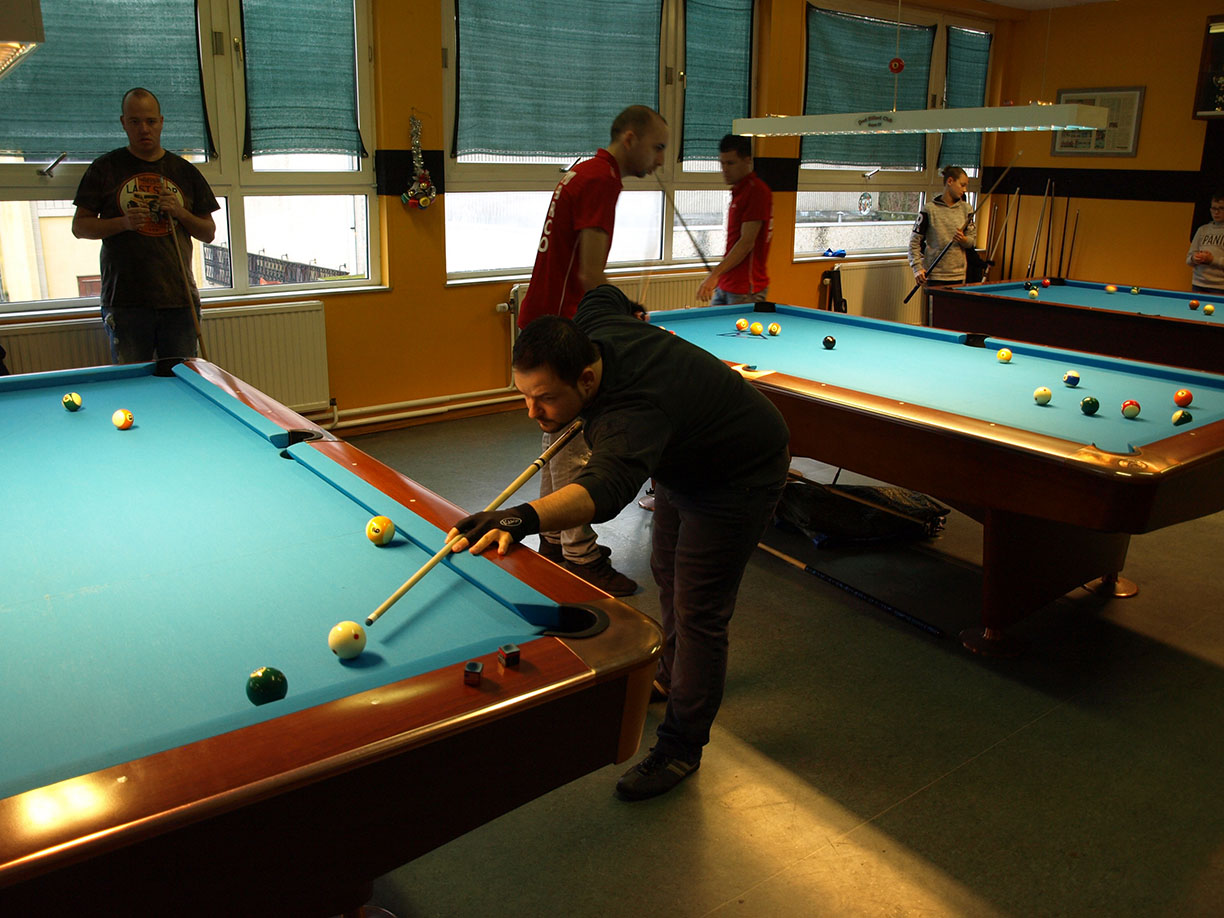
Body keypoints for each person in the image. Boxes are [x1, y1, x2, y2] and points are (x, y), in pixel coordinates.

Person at [449, 284, 791, 801]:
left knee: (699, 611)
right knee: (668, 573)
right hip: (683, 459)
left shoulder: (632, 414)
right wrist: (632, 310)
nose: (531, 412)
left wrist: (520, 518)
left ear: (587, 378)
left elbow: (602, 491)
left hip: (737, 473)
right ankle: (671, 678)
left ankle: (681, 746)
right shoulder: (594, 329)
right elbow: (601, 294)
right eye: (524, 396)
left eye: (545, 398)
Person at [515, 104, 669, 597]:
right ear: (631, 138)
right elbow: (588, 274)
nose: (660, 159)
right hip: (563, 325)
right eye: (657, 147)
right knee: (576, 444)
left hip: (542, 318)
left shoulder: (583, 170)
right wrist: (619, 313)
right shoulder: (603, 179)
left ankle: (554, 542)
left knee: (557, 439)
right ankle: (581, 554)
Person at [72, 88, 219, 365]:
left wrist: (179, 212)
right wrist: (123, 223)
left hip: (178, 300)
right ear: (123, 123)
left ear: (161, 122)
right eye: (135, 121)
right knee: (131, 381)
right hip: (125, 302)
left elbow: (208, 232)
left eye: (150, 121)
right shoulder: (105, 168)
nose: (144, 129)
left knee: (182, 378)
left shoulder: (184, 172)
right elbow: (80, 227)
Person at [696, 134, 773, 305]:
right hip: (726, 284)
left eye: (730, 163)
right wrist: (718, 276)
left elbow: (746, 243)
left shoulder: (756, 191)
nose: (725, 169)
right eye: (722, 163)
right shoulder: (739, 191)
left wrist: (714, 275)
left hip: (746, 289)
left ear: (747, 160)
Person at [908, 165, 976, 289]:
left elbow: (971, 242)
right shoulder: (929, 210)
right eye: (962, 185)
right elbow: (914, 242)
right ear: (950, 181)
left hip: (958, 276)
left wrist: (963, 240)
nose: (965, 190)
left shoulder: (967, 209)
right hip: (934, 275)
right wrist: (917, 268)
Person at [1187, 193, 1224, 296]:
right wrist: (1194, 258)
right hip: (1198, 284)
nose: (1216, 212)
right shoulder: (1202, 230)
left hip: (1220, 287)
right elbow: (1188, 259)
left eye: (1221, 208)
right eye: (1214, 208)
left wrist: (1212, 260)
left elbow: (1213, 260)